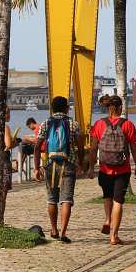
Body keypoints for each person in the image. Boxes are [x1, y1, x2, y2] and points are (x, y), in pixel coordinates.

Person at [88, 95, 136, 246]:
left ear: (108, 108)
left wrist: (91, 168)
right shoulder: (127, 125)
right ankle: (114, 236)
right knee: (118, 201)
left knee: (107, 196)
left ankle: (107, 219)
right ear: (120, 108)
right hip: (122, 169)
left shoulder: (99, 124)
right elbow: (134, 148)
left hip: (105, 168)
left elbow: (93, 149)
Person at [34, 96, 81, 243]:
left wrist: (36, 167)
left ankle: (53, 229)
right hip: (68, 164)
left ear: (52, 108)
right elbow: (80, 146)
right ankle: (63, 232)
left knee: (52, 199)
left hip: (50, 165)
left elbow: (37, 147)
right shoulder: (73, 124)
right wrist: (80, 163)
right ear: (67, 108)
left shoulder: (46, 123)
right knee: (66, 199)